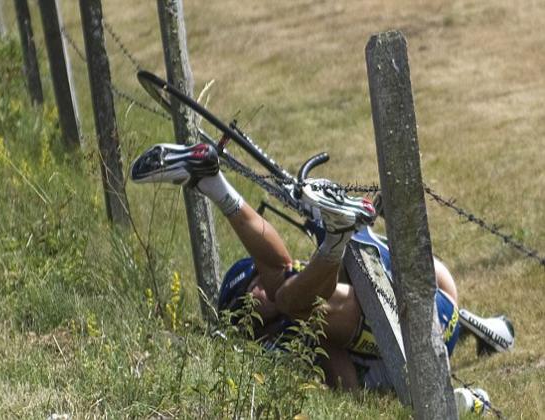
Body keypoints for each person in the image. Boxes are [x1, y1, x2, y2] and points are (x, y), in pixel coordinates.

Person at [130, 142, 508, 392]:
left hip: (427, 309)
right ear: (253, 327)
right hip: (428, 331)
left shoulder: (297, 302)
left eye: (255, 286)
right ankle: (217, 185)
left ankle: (216, 184)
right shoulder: (297, 339)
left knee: (293, 293)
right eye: (252, 296)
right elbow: (347, 383)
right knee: (294, 296)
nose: (260, 292)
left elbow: (281, 273)